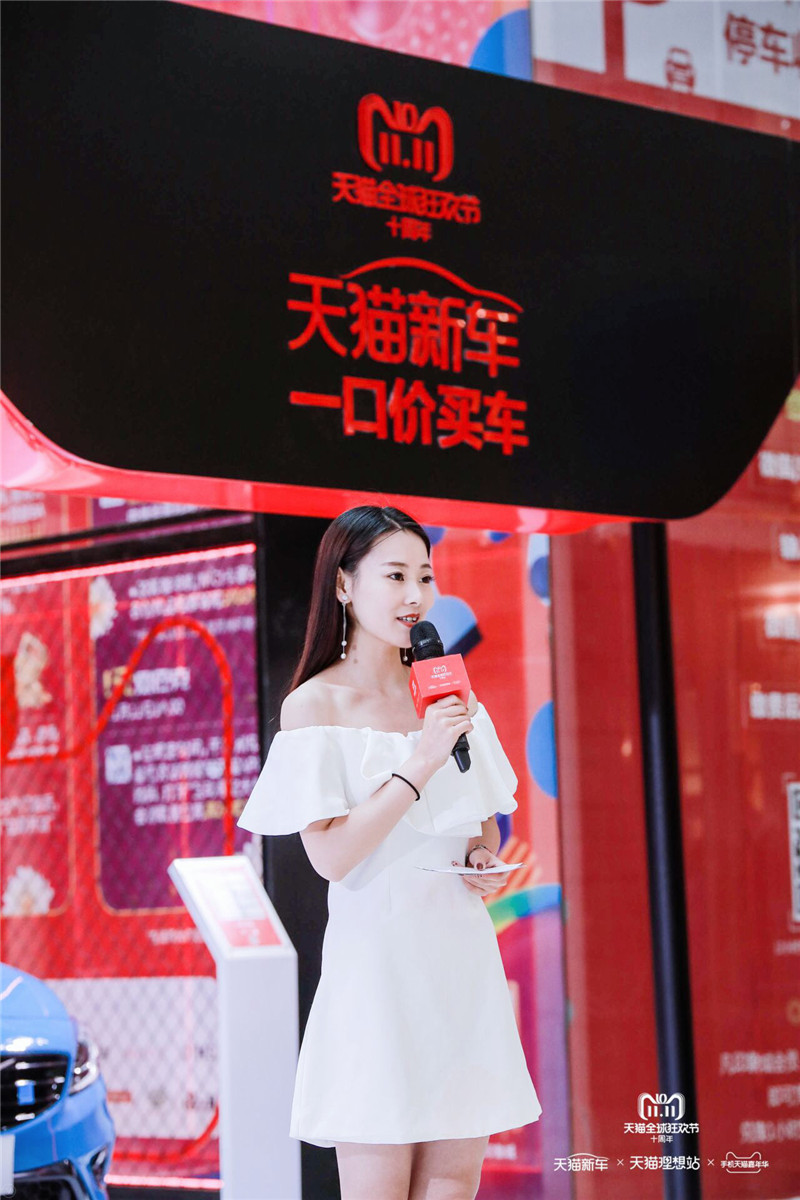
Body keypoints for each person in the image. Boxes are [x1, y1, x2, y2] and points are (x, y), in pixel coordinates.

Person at [237, 504, 542, 1200]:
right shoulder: (315, 705)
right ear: (345, 585)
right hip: (376, 976)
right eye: (396, 575)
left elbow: (482, 824)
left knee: (453, 1185)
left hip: (460, 967)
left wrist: (481, 858)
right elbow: (332, 857)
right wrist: (421, 760)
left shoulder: (450, 692)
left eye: (425, 577)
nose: (415, 595)